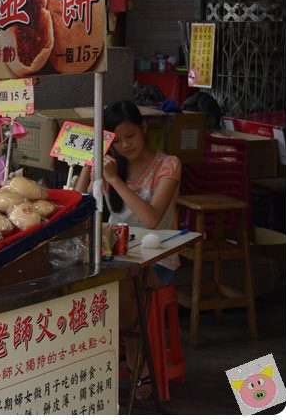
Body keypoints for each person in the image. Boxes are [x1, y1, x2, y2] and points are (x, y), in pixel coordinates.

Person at [75, 101, 181, 400]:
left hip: (160, 260)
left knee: (123, 286)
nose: (124, 145)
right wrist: (87, 166)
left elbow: (151, 218)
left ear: (144, 129)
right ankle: (89, 364)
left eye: (130, 136)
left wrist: (114, 181)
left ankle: (138, 365)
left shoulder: (168, 165)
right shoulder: (109, 164)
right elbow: (75, 207)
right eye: (116, 140)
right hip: (119, 256)